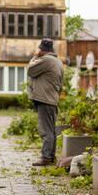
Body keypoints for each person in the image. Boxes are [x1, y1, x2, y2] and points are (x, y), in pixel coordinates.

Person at [27, 38, 64, 167]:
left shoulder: (46, 60)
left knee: (45, 130)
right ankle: (51, 156)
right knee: (51, 129)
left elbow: (30, 70)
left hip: (45, 99)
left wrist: (34, 56)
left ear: (42, 50)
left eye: (40, 49)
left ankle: (46, 157)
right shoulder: (57, 61)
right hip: (51, 99)